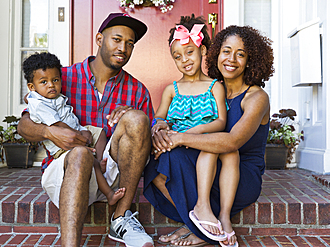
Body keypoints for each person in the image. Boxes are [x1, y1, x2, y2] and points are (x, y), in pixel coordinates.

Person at [17, 13, 155, 247]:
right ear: (99, 39)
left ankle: (120, 219)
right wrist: (50, 132)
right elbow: (24, 126)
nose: (123, 48)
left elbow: (147, 142)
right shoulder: (61, 78)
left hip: (112, 176)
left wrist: (133, 117)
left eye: (130, 43)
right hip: (67, 173)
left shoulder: (137, 90)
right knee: (80, 154)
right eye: (117, 39)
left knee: (137, 119)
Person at [144, 23, 274, 247]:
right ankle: (199, 219)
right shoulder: (214, 88)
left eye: (240, 54)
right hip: (210, 162)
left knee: (177, 157)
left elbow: (232, 141)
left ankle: (204, 231)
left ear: (251, 59)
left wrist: (179, 138)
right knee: (158, 164)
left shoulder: (256, 97)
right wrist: (162, 132)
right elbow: (166, 117)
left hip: (239, 174)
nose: (231, 59)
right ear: (215, 53)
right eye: (226, 51)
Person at [150, 14, 240, 245]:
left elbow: (220, 121)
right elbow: (160, 116)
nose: (184, 60)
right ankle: (196, 223)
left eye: (190, 52)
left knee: (210, 148)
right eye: (177, 56)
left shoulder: (214, 86)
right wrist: (159, 127)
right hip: (176, 143)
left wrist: (193, 134)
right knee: (158, 172)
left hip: (202, 141)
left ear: (203, 51)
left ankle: (203, 208)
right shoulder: (172, 89)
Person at [22, 52, 126, 206]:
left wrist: (83, 130)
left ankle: (99, 159)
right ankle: (108, 191)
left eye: (55, 80)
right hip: (63, 144)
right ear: (32, 87)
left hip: (76, 129)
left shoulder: (52, 96)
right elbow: (57, 126)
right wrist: (80, 135)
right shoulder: (39, 104)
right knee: (86, 158)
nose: (51, 85)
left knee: (100, 132)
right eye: (44, 82)